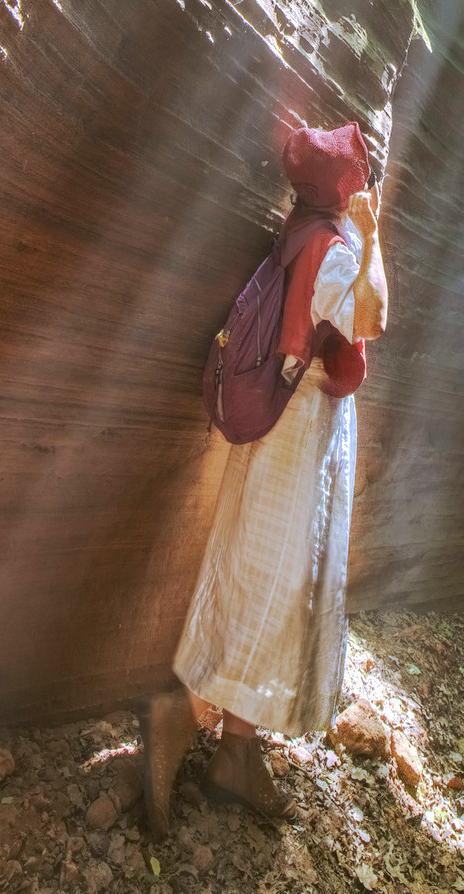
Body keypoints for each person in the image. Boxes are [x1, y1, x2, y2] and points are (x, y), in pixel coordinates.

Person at [142, 121, 390, 830]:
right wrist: (374, 234)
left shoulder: (298, 231)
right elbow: (373, 315)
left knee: (262, 574)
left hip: (280, 430)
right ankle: (177, 719)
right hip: (299, 436)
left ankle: (236, 755)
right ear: (345, 188)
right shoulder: (335, 251)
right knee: (277, 587)